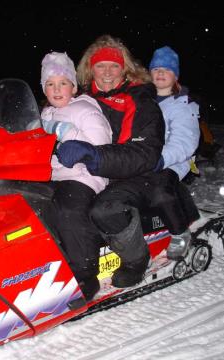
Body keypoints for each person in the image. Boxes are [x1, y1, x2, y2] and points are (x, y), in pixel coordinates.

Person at [56, 35, 165, 288]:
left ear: (124, 68)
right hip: (94, 171)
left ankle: (136, 259)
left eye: (114, 65)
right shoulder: (77, 97)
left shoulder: (140, 101)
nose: (107, 72)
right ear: (89, 69)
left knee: (105, 209)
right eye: (100, 65)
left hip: (137, 174)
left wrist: (95, 156)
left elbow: (144, 154)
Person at [39, 51, 112, 300]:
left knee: (67, 210)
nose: (57, 89)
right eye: (50, 84)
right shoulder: (44, 115)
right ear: (43, 88)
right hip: (50, 176)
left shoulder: (85, 110)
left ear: (73, 86)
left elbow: (101, 150)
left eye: (63, 83)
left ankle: (86, 273)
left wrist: (70, 135)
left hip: (84, 176)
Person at [148, 45, 201, 259]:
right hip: (145, 159)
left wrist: (161, 159)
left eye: (167, 69)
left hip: (172, 162)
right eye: (156, 69)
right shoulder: (142, 101)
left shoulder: (183, 105)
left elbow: (184, 142)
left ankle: (180, 232)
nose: (161, 73)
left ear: (175, 75)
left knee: (158, 189)